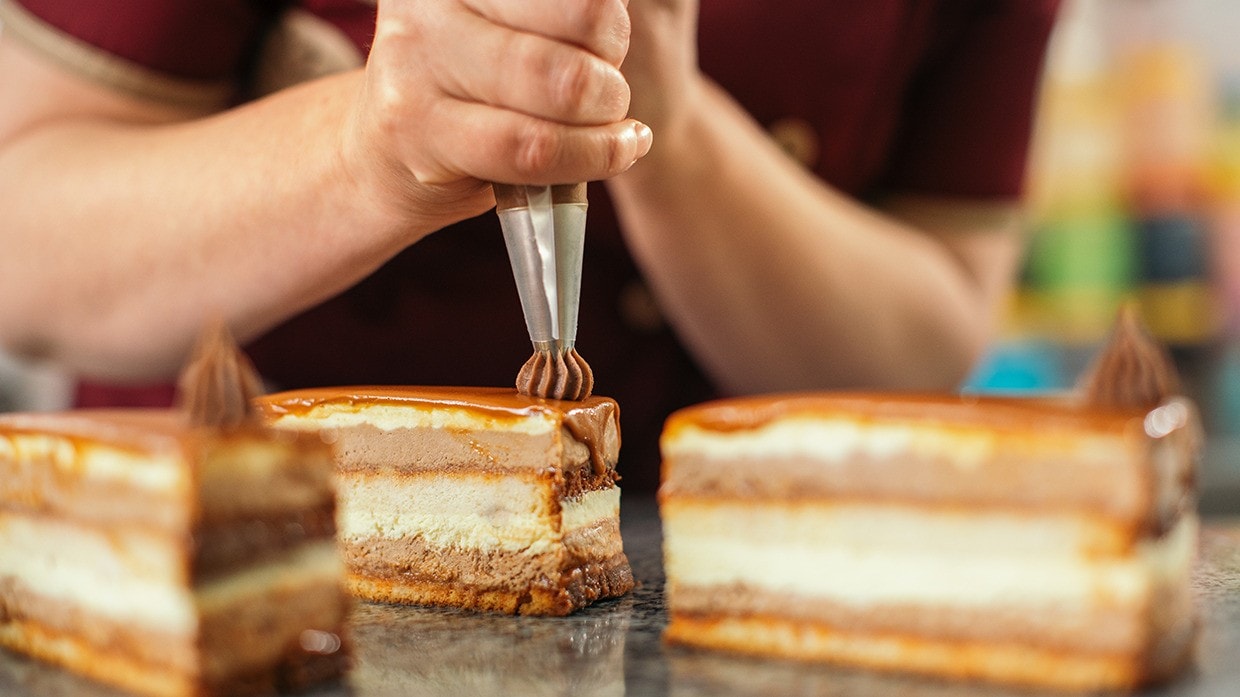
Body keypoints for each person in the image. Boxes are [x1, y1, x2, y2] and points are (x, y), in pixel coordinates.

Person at [0, 0, 1060, 491]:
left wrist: (673, 131)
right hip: (223, 591)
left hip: (742, 613)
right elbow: (25, 244)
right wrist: (371, 148)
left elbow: (924, 345)